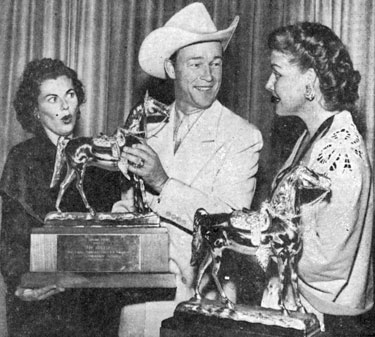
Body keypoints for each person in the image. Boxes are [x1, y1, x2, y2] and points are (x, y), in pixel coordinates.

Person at [116, 3, 263, 336]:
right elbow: (130, 207)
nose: (208, 76)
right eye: (196, 64)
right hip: (138, 297)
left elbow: (230, 222)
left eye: (216, 63)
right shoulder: (147, 128)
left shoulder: (242, 136)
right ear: (171, 69)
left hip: (199, 305)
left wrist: (162, 182)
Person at [263, 22, 373, 336]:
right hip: (298, 309)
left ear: (310, 81)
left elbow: (328, 261)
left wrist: (257, 242)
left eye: (278, 73)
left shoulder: (340, 150)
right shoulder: (313, 138)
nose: (270, 84)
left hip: (324, 323)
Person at [0, 58, 122, 336]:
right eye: (52, 99)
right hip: (41, 302)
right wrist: (20, 282)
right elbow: (11, 238)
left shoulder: (96, 155)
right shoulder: (21, 159)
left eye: (70, 95)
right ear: (35, 109)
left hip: (93, 302)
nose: (65, 106)